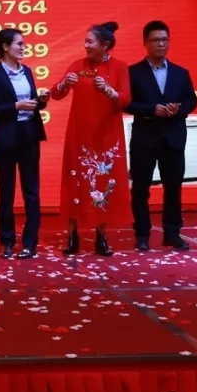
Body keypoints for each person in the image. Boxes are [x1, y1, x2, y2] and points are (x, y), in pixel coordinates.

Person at [50, 22, 131, 257]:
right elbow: (56, 94)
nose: (86, 45)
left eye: (90, 41)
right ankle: (72, 234)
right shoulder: (78, 65)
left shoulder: (119, 67)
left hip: (106, 135)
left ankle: (101, 235)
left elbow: (125, 99)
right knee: (75, 180)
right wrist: (64, 84)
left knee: (104, 182)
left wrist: (109, 91)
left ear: (105, 45)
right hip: (80, 134)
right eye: (85, 41)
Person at [124, 21, 197, 251]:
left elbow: (191, 100)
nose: (160, 44)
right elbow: (126, 103)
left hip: (173, 138)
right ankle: (142, 234)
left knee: (173, 188)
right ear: (145, 43)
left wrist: (179, 109)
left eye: (164, 40)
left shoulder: (180, 73)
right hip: (144, 139)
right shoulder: (133, 72)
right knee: (140, 189)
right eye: (155, 40)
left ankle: (172, 233)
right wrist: (151, 109)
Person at [0, 29, 48, 259]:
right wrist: (15, 107)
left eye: (23, 44)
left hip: (29, 133)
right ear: (5, 46)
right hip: (6, 137)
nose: (23, 47)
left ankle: (30, 242)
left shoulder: (26, 71)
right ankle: (7, 241)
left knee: (31, 191)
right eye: (19, 44)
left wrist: (41, 101)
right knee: (6, 191)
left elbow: (32, 104)